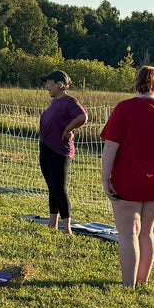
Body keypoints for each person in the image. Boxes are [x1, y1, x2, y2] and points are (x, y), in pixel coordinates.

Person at [100, 65, 154, 288]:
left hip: (126, 182)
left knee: (128, 233)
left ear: (136, 83)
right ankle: (143, 281)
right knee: (147, 232)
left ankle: (128, 285)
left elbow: (110, 147)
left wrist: (105, 179)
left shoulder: (123, 109)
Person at [37, 70, 87, 233]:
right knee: (52, 188)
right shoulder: (54, 102)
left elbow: (82, 117)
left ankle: (67, 228)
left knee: (60, 189)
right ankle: (52, 224)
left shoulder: (69, 101)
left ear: (59, 84)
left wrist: (68, 129)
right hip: (46, 150)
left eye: (49, 83)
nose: (46, 87)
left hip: (59, 151)